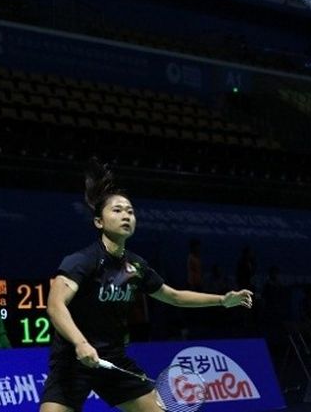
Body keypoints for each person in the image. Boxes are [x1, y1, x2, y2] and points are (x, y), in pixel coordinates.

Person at [40, 159, 253, 412]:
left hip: (112, 359)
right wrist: (80, 343)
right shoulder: (82, 261)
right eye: (117, 211)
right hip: (73, 360)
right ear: (99, 222)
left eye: (130, 211)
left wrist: (221, 300)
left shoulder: (136, 266)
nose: (126, 216)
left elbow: (173, 296)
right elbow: (55, 306)